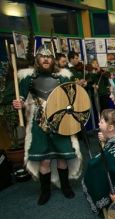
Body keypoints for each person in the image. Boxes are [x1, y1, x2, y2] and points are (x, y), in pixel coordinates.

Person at [13, 45, 80, 205]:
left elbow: (73, 97)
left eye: (48, 57)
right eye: (42, 56)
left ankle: (66, 186)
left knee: (62, 156)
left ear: (52, 60)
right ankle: (45, 191)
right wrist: (19, 103)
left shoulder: (62, 77)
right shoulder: (28, 78)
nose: (45, 59)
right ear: (37, 59)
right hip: (39, 121)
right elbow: (21, 98)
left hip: (60, 120)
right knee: (44, 160)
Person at [82, 109, 115, 213]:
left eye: (101, 122)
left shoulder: (114, 152)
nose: (98, 123)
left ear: (110, 127)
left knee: (94, 167)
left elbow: (94, 165)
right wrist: (106, 138)